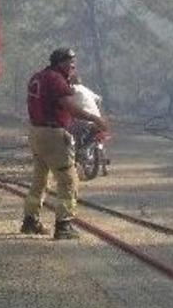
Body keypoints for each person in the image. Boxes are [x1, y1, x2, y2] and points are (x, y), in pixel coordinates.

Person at [21, 47, 109, 240]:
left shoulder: (39, 76)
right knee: (68, 180)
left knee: (39, 179)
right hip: (53, 134)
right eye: (70, 62)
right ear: (60, 62)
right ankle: (64, 225)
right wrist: (95, 119)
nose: (73, 66)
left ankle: (30, 220)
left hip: (36, 132)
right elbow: (71, 108)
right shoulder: (56, 80)